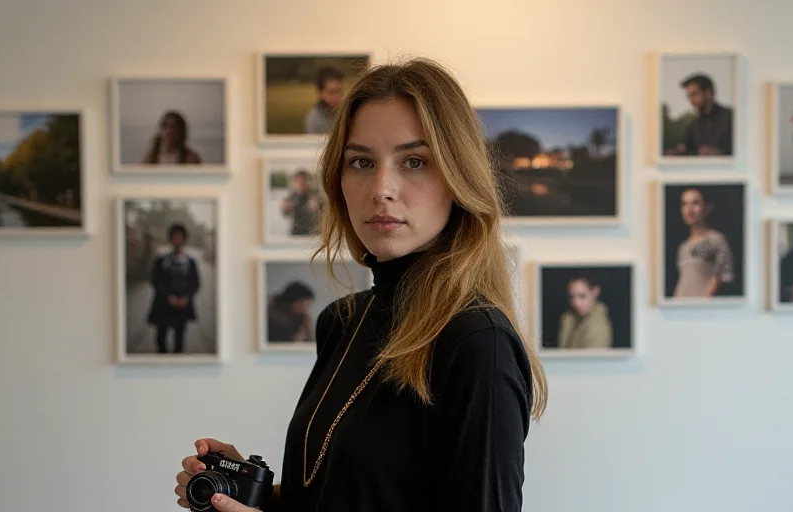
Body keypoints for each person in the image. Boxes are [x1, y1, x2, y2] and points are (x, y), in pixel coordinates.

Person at [174, 57, 549, 512]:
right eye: (361, 162)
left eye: (414, 161)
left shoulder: (477, 342)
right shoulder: (342, 320)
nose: (381, 188)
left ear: (458, 180)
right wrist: (250, 495)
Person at [146, 223, 201, 353]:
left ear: (184, 240)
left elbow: (195, 283)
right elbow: (155, 281)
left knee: (179, 338)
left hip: (182, 305)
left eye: (180, 237)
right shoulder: (161, 260)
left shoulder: (190, 262)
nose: (177, 240)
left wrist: (186, 298)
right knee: (161, 337)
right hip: (164, 305)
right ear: (171, 239)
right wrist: (168, 297)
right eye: (175, 237)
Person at [672, 188, 735, 298]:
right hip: (680, 303)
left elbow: (723, 275)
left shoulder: (715, 239)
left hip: (701, 304)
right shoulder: (683, 247)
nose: (689, 209)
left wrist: (705, 300)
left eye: (695, 203)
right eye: (685, 204)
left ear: (707, 207)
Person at [666, 73, 734, 157]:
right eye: (689, 96)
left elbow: (744, 151)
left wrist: (720, 155)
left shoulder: (732, 117)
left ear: (708, 93)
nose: (691, 100)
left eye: (694, 94)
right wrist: (675, 153)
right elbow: (683, 148)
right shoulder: (693, 126)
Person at [556, 274, 612, 349]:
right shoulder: (568, 318)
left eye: (582, 296)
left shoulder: (598, 327)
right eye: (572, 297)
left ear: (596, 292)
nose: (576, 303)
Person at [303, 65, 345, 134]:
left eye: (339, 90)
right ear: (320, 92)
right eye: (331, 92)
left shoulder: (348, 112)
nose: (337, 96)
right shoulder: (314, 119)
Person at [280, 170, 322, 236]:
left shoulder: (315, 197)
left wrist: (318, 209)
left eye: (304, 181)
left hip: (312, 233)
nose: (301, 183)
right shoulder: (290, 198)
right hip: (295, 233)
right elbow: (285, 214)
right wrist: (285, 208)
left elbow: (322, 216)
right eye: (299, 181)